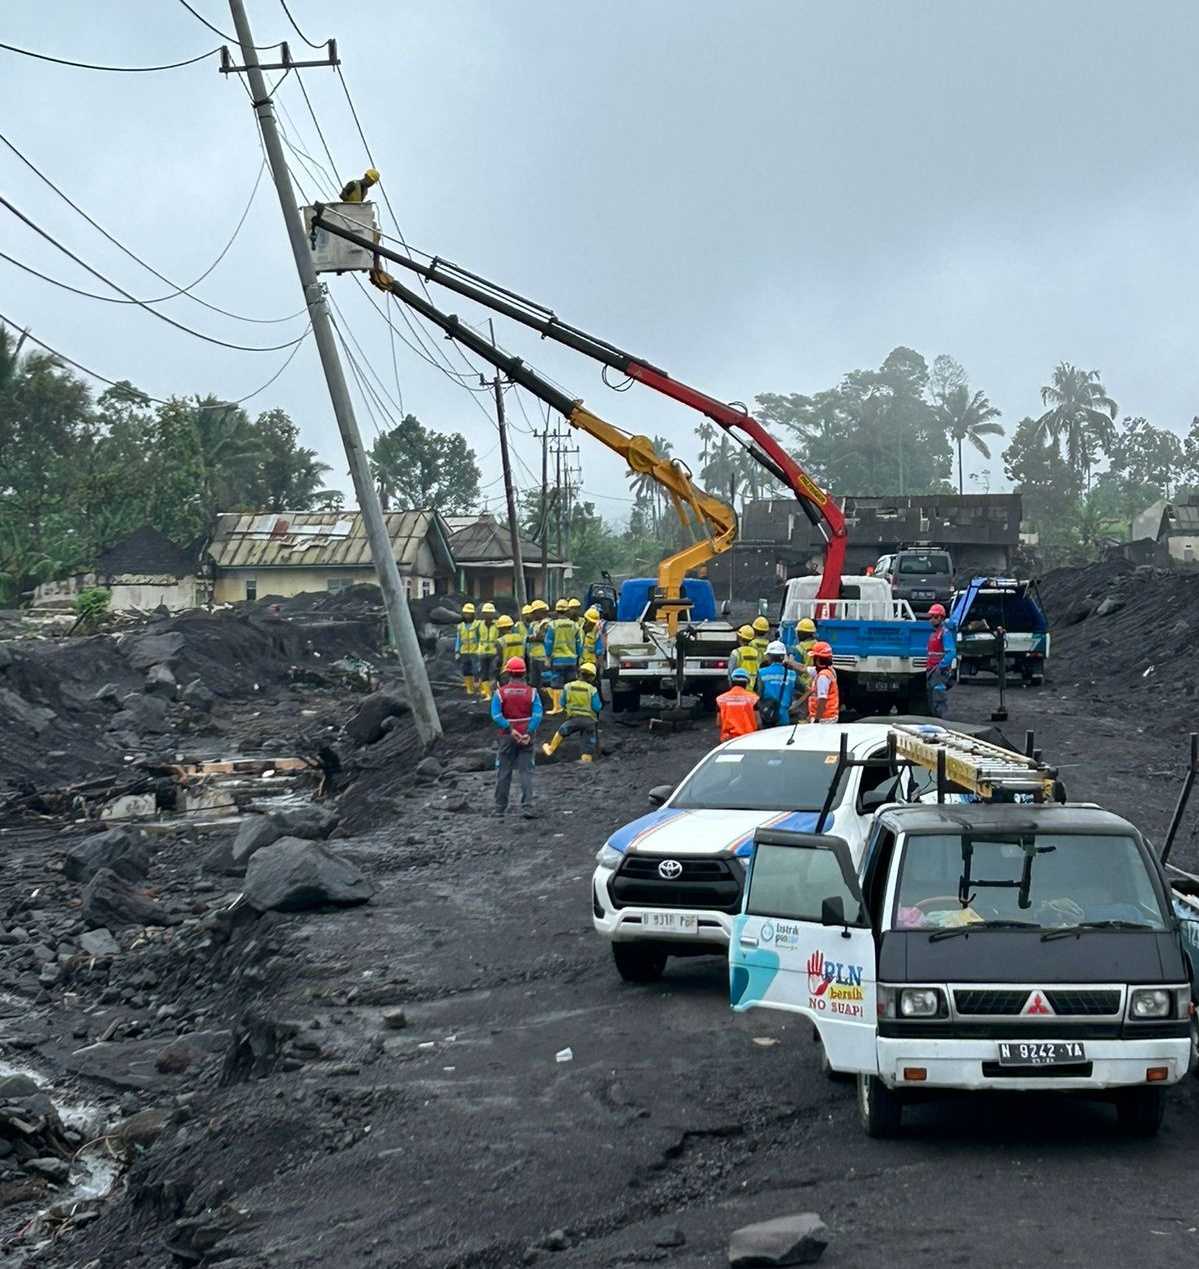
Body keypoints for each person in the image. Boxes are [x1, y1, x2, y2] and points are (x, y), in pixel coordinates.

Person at [491, 657, 543, 816]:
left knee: (504, 771)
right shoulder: (532, 692)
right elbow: (537, 714)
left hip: (506, 738)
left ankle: (500, 808)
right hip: (527, 736)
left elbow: (496, 715)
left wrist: (510, 729)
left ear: (508, 673)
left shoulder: (500, 693)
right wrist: (527, 733)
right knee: (526, 772)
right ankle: (527, 806)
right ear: (524, 673)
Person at [541, 661, 602, 763]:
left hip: (573, 718)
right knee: (588, 742)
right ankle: (586, 759)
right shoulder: (592, 689)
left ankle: (551, 749)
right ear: (592, 677)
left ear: (578, 673)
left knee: (562, 731)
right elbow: (597, 707)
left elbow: (562, 702)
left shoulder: (568, 686)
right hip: (589, 721)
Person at [545, 600, 582, 713]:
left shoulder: (553, 625)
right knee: (571, 684)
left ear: (557, 611)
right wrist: (578, 657)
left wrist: (548, 656)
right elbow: (579, 643)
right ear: (567, 611)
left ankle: (557, 707)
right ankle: (571, 707)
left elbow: (548, 642)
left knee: (556, 684)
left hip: (557, 659)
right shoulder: (575, 625)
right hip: (571, 659)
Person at [925, 602, 956, 718]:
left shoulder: (944, 633)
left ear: (942, 618)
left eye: (936, 617)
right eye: (931, 617)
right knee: (931, 698)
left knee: (938, 696)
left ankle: (942, 721)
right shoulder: (934, 634)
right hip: (931, 670)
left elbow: (951, 652)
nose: (933, 619)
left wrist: (941, 666)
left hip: (938, 670)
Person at [755, 640, 797, 727]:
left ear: (769, 656)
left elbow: (757, 695)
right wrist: (795, 705)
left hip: (766, 716)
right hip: (785, 717)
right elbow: (808, 690)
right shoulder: (791, 674)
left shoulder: (762, 672)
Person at [717, 668, 759, 741]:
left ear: (731, 682)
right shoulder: (753, 698)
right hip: (748, 738)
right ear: (747, 683)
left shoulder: (720, 699)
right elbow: (758, 722)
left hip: (727, 739)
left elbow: (718, 723)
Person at [807, 641, 840, 724]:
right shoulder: (829, 671)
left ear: (818, 659)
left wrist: (817, 720)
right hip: (829, 716)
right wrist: (791, 664)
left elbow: (822, 699)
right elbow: (804, 669)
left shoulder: (823, 676)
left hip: (824, 718)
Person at [454, 601, 481, 697]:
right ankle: (469, 689)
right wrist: (457, 651)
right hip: (464, 651)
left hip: (475, 651)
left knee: (476, 670)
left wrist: (480, 649)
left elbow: (480, 638)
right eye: (465, 613)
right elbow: (458, 639)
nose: (467, 615)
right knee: (466, 670)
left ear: (473, 614)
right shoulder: (460, 626)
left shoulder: (477, 625)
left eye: (468, 613)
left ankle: (477, 688)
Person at [728, 625, 762, 692]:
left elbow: (731, 674)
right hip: (753, 690)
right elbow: (759, 673)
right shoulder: (757, 653)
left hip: (739, 690)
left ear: (740, 638)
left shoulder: (736, 653)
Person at [476, 602, 499, 698]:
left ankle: (494, 692)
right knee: (484, 673)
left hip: (494, 652)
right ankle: (488, 694)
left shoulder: (498, 625)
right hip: (482, 652)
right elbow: (477, 637)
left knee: (493, 672)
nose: (488, 615)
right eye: (486, 613)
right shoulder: (479, 625)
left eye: (490, 613)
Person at [495, 613, 526, 682]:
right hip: (521, 670)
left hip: (506, 672)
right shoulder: (520, 638)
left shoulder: (500, 641)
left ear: (501, 628)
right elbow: (526, 656)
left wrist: (497, 675)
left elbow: (499, 661)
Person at [526, 599, 550, 689]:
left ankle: (547, 701)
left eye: (534, 612)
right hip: (533, 657)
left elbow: (542, 637)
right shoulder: (533, 624)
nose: (532, 614)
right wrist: (534, 638)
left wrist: (534, 638)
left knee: (545, 682)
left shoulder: (548, 623)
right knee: (534, 683)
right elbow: (527, 638)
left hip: (543, 657)